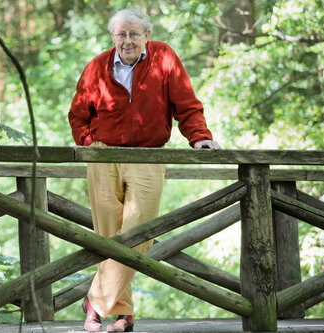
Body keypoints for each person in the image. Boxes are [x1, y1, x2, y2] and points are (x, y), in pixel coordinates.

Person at [68, 8, 221, 332]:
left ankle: (94, 301)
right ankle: (122, 315)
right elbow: (78, 114)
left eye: (134, 34)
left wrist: (200, 137)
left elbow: (187, 106)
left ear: (146, 35)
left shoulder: (164, 58)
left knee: (139, 231)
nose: (127, 40)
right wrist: (88, 141)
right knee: (108, 235)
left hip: (149, 155)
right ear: (113, 37)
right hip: (103, 157)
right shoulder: (97, 66)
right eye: (121, 34)